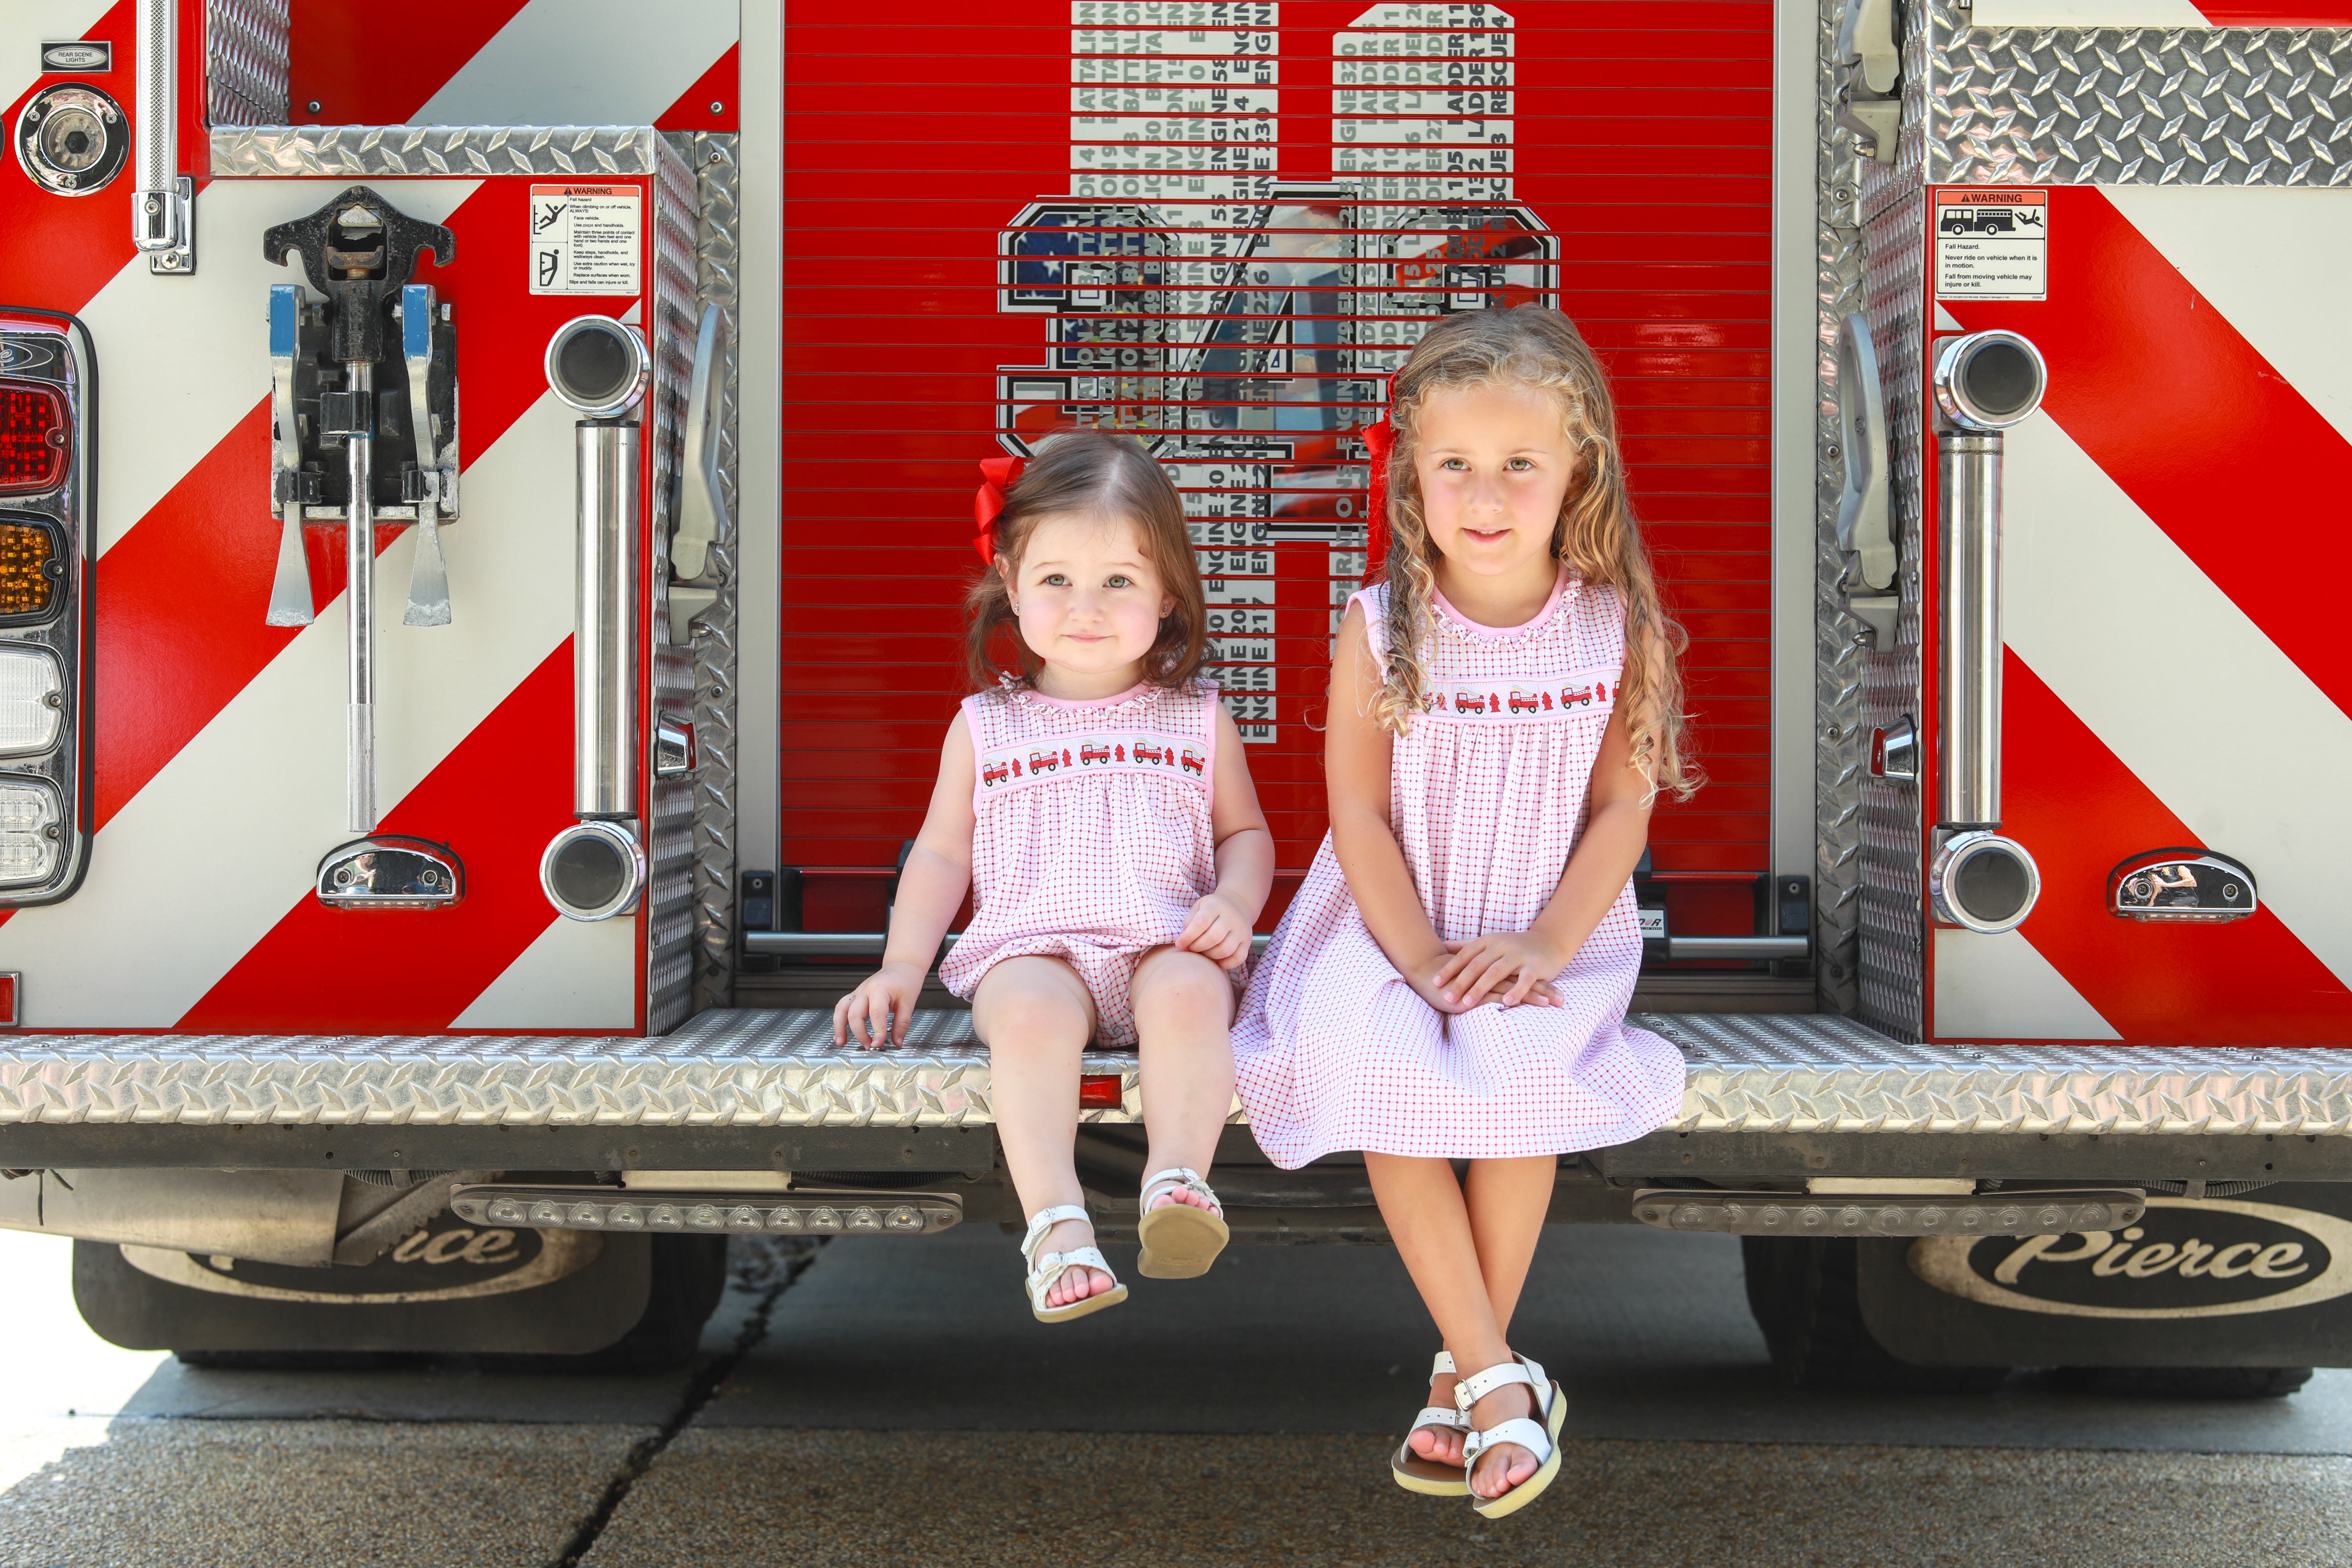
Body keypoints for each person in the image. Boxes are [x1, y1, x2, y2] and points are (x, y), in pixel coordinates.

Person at [1232, 307, 1695, 1517]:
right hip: (1385, 928)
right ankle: (1494, 1377)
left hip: (1545, 927)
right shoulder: (1382, 626)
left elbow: (1621, 810)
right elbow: (1356, 815)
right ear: (1411, 475)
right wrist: (1419, 957)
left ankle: (1462, 1378)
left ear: (1577, 469)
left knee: (1518, 1071)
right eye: (1454, 465)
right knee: (1382, 1065)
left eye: (1518, 464)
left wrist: (1545, 944)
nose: (1484, 496)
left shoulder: (1615, 626)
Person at [835, 429, 1274, 1325]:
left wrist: (1234, 901)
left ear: (1167, 589)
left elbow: (1246, 833)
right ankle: (1056, 1222)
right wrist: (902, 965)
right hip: (1033, 954)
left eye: (1118, 581)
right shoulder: (987, 726)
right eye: (1057, 579)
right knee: (1030, 1017)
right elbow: (942, 854)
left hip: (1163, 943)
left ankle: (1177, 1180)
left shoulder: (1197, 717)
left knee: (1193, 992)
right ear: (1009, 580)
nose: (1086, 607)